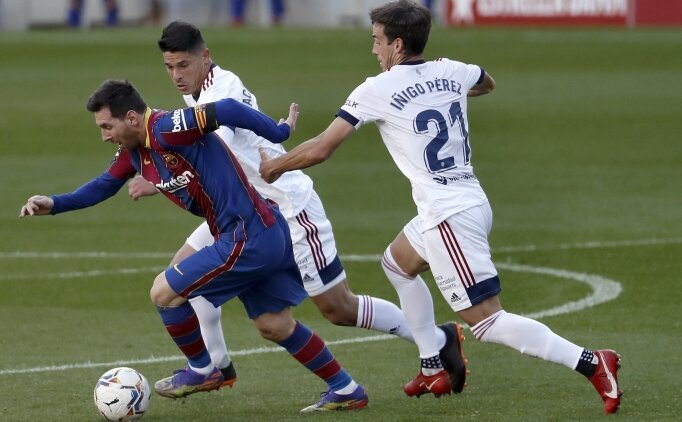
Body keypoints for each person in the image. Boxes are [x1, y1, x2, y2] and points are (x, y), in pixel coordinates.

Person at [258, 0, 623, 414]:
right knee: (398, 263)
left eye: (377, 40)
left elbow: (322, 147)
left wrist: (274, 167)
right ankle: (432, 364)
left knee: (487, 321)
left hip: (448, 217)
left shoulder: (377, 89)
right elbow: (486, 83)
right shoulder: (453, 70)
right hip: (467, 200)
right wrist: (445, 92)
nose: (374, 49)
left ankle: (592, 362)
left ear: (397, 44)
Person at [125, 20, 467, 404]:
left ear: (205, 57)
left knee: (339, 308)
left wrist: (161, 180)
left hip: (289, 209)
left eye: (183, 65)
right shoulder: (199, 91)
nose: (176, 75)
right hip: (243, 211)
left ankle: (436, 339)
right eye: (169, 67)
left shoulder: (223, 90)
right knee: (178, 282)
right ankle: (215, 366)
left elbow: (214, 147)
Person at [19, 79, 369, 413]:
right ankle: (346, 389)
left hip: (247, 236)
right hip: (261, 231)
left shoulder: (166, 127)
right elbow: (102, 185)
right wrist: (55, 203)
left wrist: (279, 134)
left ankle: (204, 369)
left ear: (131, 118)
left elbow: (227, 108)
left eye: (107, 126)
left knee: (163, 292)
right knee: (273, 325)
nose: (104, 136)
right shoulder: (134, 152)